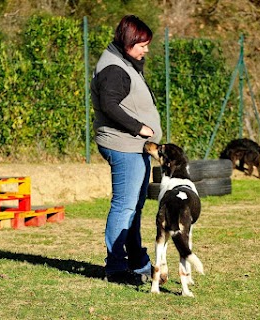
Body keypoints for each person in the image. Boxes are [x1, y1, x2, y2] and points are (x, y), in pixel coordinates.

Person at [91, 15, 162, 285]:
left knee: (135, 206)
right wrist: (138, 127)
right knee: (124, 207)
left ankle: (138, 261)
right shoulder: (113, 68)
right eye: (142, 44)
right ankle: (117, 268)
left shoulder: (124, 62)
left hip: (135, 147)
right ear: (128, 41)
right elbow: (110, 105)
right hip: (124, 146)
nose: (146, 50)